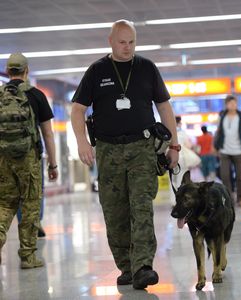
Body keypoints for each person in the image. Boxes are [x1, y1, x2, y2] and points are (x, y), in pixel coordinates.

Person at [71, 20, 179, 289]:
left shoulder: (146, 68)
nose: (127, 47)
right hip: (108, 151)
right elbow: (77, 109)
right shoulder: (97, 71)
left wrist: (174, 145)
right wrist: (82, 143)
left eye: (131, 42)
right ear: (110, 41)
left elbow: (164, 107)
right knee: (115, 211)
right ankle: (127, 266)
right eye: (122, 42)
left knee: (141, 206)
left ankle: (143, 266)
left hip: (142, 148)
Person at [0, 53, 58, 268]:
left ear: (8, 71)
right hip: (29, 159)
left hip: (3, 159)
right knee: (31, 204)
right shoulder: (36, 96)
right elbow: (48, 134)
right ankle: (28, 256)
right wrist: (53, 164)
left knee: (5, 203)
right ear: (26, 71)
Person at [214, 94, 241, 207]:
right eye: (230, 103)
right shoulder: (222, 116)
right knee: (225, 176)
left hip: (240, 151)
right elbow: (218, 132)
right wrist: (215, 146)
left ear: (236, 104)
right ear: (226, 105)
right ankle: (228, 199)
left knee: (240, 176)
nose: (232, 105)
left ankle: (240, 198)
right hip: (224, 151)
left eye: (234, 103)